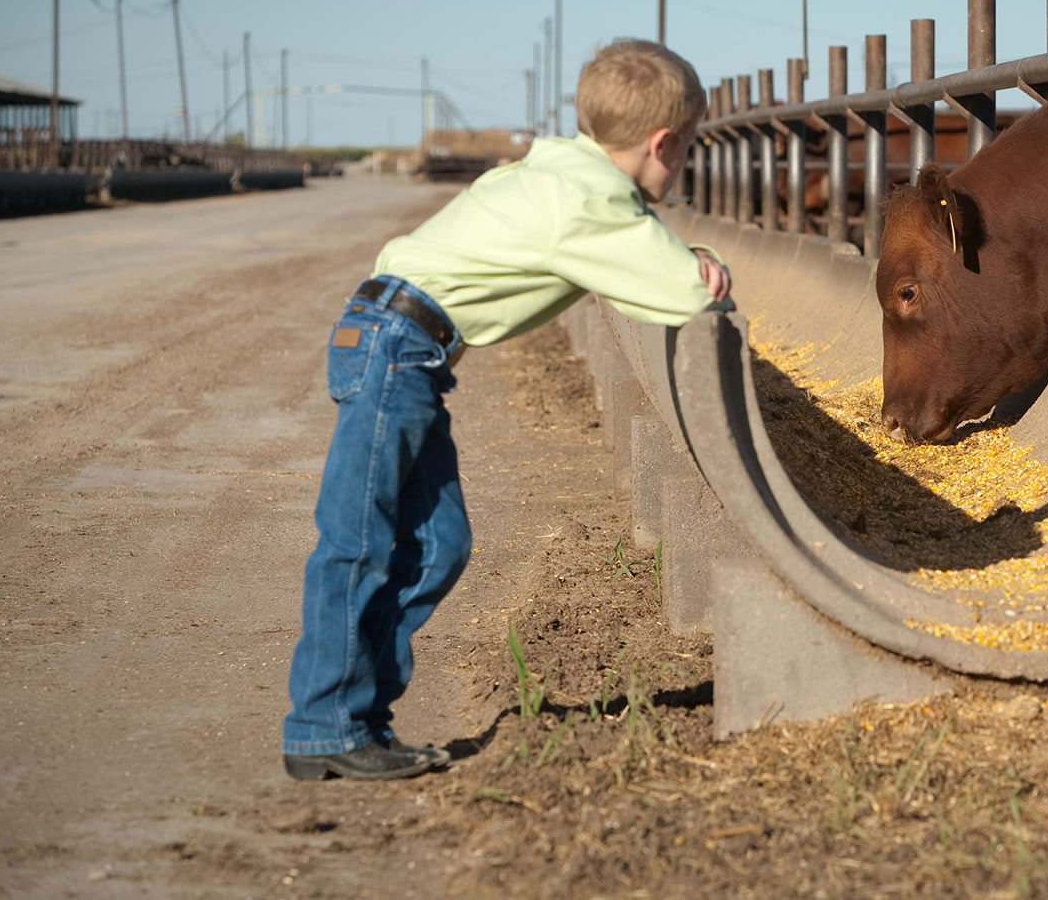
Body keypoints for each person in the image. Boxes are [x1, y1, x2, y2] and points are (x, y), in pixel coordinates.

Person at [281, 39, 731, 780]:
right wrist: (707, 264)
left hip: (400, 347)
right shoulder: (584, 202)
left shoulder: (559, 173)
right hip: (395, 349)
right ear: (663, 143)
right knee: (357, 540)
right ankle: (324, 726)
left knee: (437, 545)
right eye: (682, 153)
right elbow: (681, 289)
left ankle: (354, 716)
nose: (678, 170)